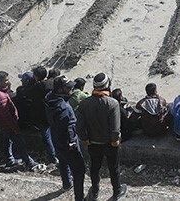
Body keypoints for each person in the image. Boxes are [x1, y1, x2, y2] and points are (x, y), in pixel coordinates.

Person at [76, 72, 127, 201]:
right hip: (110, 144)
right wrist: (115, 140)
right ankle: (116, 191)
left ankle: (95, 191)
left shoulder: (84, 103)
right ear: (107, 86)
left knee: (94, 167)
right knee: (114, 168)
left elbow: (79, 127)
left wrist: (85, 139)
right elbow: (115, 129)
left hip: (93, 143)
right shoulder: (113, 103)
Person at [0, 71, 42, 171]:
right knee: (20, 143)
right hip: (8, 125)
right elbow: (6, 114)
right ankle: (29, 162)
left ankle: (9, 160)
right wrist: (15, 127)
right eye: (6, 80)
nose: (8, 82)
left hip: (4, 124)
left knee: (7, 142)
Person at [45, 76, 85, 201]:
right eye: (68, 87)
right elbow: (67, 129)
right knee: (79, 170)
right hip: (67, 142)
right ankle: (79, 197)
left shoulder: (49, 98)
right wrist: (72, 143)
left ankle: (66, 183)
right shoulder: (63, 108)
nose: (72, 89)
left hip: (55, 136)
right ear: (60, 89)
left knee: (63, 161)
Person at [29, 66, 58, 164]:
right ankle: (57, 155)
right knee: (55, 134)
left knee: (47, 137)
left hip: (41, 115)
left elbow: (27, 94)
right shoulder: (52, 83)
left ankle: (53, 157)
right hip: (53, 112)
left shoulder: (37, 86)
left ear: (36, 76)